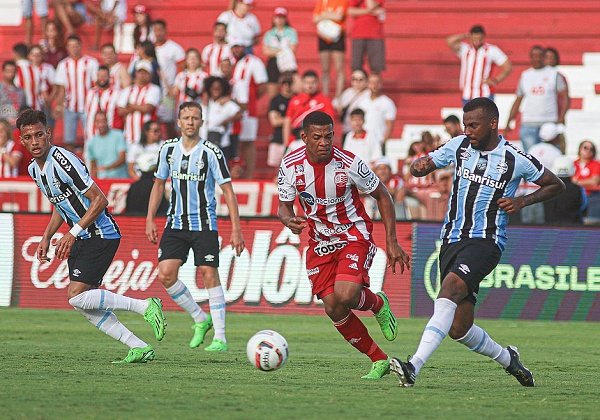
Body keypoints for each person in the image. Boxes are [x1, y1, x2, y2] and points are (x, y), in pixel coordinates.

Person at [391, 97, 565, 388]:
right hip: (451, 239)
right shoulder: (458, 146)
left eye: (474, 125)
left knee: (450, 288)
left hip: (486, 239)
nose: (468, 130)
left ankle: (413, 367)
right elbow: (423, 165)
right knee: (459, 328)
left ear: (492, 124)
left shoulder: (514, 157)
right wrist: (420, 166)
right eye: (465, 125)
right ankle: (510, 360)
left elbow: (554, 184)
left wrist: (523, 200)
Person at [17, 108, 166, 363]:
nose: (35, 142)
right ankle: (138, 346)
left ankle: (145, 305)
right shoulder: (34, 169)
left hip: (101, 232)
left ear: (48, 134)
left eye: (39, 135)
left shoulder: (64, 162)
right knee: (81, 302)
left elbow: (100, 200)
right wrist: (46, 236)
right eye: (29, 137)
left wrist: (72, 233)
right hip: (82, 235)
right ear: (22, 140)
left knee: (77, 294)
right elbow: (60, 205)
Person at [277, 111, 410, 379]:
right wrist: (288, 220)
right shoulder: (290, 166)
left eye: (329, 136)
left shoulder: (349, 163)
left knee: (347, 295)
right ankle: (379, 359)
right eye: (317, 137)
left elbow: (383, 196)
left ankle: (377, 304)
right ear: (304, 138)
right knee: (333, 307)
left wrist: (392, 241)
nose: (324, 142)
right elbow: (283, 206)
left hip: (353, 235)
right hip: (319, 241)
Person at [146, 101, 245, 352]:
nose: (190, 122)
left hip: (204, 224)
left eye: (195, 118)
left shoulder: (211, 152)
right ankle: (201, 318)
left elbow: (228, 191)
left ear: (202, 122)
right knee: (165, 274)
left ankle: (220, 337)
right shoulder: (167, 150)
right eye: (186, 117)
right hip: (175, 223)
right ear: (178, 122)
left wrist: (236, 229)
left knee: (209, 273)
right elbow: (158, 185)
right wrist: (150, 219)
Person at [504, 45, 569, 151]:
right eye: (534, 56)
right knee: (530, 160)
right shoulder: (525, 75)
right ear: (530, 57)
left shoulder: (554, 74)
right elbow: (518, 100)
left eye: (539, 56)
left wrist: (561, 117)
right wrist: (509, 121)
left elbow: (565, 97)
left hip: (549, 122)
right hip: (529, 123)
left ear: (544, 57)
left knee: (550, 157)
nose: (537, 58)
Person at [229, 38, 268, 178]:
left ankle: (249, 175)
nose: (236, 50)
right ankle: (234, 175)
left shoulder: (254, 62)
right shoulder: (229, 62)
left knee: (248, 142)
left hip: (248, 110)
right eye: (234, 46)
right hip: (229, 110)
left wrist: (250, 99)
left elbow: (262, 86)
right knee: (233, 142)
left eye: (239, 46)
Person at [446, 25, 512, 104]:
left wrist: (496, 80)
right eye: (475, 38)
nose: (477, 41)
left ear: (483, 37)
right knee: (468, 116)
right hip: (467, 95)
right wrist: (466, 35)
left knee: (484, 116)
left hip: (485, 94)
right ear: (471, 37)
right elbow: (449, 41)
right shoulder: (465, 49)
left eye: (479, 39)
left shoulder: (491, 50)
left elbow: (508, 67)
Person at [54, 35, 99, 148]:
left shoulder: (91, 62)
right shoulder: (63, 64)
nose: (73, 48)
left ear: (80, 46)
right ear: (67, 47)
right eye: (70, 46)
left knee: (90, 137)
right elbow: (61, 88)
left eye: (76, 45)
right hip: (70, 106)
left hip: (88, 106)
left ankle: (89, 163)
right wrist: (59, 106)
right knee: (69, 140)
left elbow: (96, 85)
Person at [283, 70, 335, 150]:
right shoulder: (295, 100)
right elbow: (287, 122)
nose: (310, 85)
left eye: (313, 82)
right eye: (307, 83)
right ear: (302, 83)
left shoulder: (324, 101)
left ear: (317, 83)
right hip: (295, 141)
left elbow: (330, 124)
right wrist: (286, 143)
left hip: (316, 143)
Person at [153, 19, 186, 140]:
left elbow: (183, 69)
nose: (158, 33)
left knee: (168, 122)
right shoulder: (149, 48)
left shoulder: (174, 48)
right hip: (152, 90)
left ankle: (173, 145)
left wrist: (174, 87)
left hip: (167, 92)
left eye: (160, 30)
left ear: (165, 31)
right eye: (155, 30)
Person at [117, 60, 161, 144]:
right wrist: (139, 107)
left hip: (148, 139)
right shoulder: (127, 90)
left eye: (145, 72)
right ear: (136, 74)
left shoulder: (154, 89)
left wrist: (130, 106)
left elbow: (148, 108)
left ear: (150, 75)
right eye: (140, 72)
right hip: (129, 137)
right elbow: (120, 111)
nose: (142, 75)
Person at [313, 0, 349, 99]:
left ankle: (338, 96)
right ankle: (325, 95)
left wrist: (324, 15)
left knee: (339, 68)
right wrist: (330, 15)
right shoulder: (322, 1)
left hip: (337, 35)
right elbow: (315, 19)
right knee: (325, 69)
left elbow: (339, 17)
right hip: (323, 36)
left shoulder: (342, 1)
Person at [201, 76, 242, 161]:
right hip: (205, 141)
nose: (216, 89)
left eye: (219, 88)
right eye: (213, 87)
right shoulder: (206, 103)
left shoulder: (227, 103)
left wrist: (227, 121)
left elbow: (239, 114)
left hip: (222, 142)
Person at [262, 7, 298, 98]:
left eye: (282, 18)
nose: (279, 20)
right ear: (273, 19)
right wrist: (283, 49)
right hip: (273, 62)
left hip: (287, 62)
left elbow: (293, 48)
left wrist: (274, 50)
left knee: (289, 87)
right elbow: (265, 51)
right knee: (272, 87)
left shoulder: (291, 32)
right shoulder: (269, 33)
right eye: (277, 17)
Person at [355, 73, 396, 153]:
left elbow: (389, 125)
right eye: (371, 82)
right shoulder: (362, 102)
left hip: (378, 142)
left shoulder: (387, 102)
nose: (374, 85)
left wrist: (383, 142)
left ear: (381, 84)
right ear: (367, 84)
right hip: (363, 142)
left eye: (377, 82)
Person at [544, 157, 587, 225]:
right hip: (574, 228)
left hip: (550, 229)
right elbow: (583, 206)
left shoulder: (546, 188)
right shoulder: (578, 189)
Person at [84, 65, 123, 141]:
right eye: (100, 76)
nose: (102, 78)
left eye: (104, 76)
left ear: (109, 77)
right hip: (91, 135)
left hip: (109, 135)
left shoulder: (117, 93)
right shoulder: (90, 93)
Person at [347, 0, 386, 74]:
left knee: (376, 69)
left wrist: (359, 11)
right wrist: (369, 11)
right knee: (356, 67)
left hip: (375, 35)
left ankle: (375, 85)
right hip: (358, 34)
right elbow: (350, 11)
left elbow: (371, 5)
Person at [87, 112, 128, 179]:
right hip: (102, 180)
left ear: (107, 121)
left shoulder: (118, 135)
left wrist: (106, 168)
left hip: (120, 179)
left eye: (103, 121)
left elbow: (122, 159)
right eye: (98, 121)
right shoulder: (92, 142)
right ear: (95, 123)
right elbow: (93, 166)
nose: (101, 124)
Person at [267, 74, 293, 167]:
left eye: (289, 83)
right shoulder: (275, 100)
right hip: (278, 138)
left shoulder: (297, 99)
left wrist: (283, 119)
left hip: (293, 139)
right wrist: (289, 120)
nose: (287, 86)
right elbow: (274, 121)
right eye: (284, 83)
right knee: (276, 169)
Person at [335, 68, 369, 139]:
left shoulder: (369, 95)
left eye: (360, 79)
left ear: (366, 81)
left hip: (362, 131)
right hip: (347, 130)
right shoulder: (348, 92)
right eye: (354, 79)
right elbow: (335, 103)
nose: (357, 82)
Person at [28, 44, 56, 129]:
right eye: (34, 55)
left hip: (45, 103)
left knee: (48, 128)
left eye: (38, 55)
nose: (36, 57)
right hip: (30, 103)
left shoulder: (48, 68)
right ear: (29, 56)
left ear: (42, 56)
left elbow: (55, 86)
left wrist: (50, 99)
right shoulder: (25, 70)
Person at [573, 140, 600, 223]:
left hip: (593, 196)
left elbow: (595, 181)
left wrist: (576, 182)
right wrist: (586, 181)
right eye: (585, 148)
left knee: (592, 221)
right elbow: (569, 180)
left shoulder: (596, 164)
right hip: (576, 196)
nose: (588, 150)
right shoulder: (573, 164)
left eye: (591, 149)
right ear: (580, 149)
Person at [0, 61, 27, 128]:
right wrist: (4, 120)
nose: (11, 73)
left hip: (17, 127)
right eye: (8, 71)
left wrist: (19, 119)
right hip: (2, 128)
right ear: (3, 71)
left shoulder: (21, 91)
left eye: (13, 71)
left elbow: (24, 109)